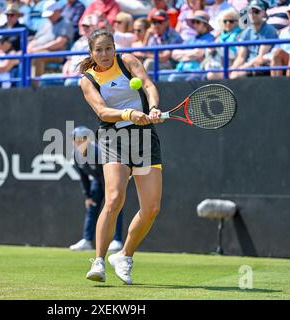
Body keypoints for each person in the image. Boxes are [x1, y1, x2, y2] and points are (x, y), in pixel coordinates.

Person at [79, 28, 163, 284]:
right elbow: (103, 112)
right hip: (113, 139)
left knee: (151, 208)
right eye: (99, 50)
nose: (105, 54)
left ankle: (125, 255)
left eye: (108, 48)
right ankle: (99, 261)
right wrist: (129, 114)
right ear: (91, 53)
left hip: (144, 137)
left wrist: (154, 107)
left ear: (114, 47)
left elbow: (148, 85)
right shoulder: (87, 79)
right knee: (114, 198)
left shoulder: (128, 61)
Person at [69, 125, 124, 252]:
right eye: (75, 139)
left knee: (115, 207)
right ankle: (87, 240)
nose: (78, 142)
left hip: (111, 180)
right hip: (98, 181)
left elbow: (108, 172)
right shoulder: (76, 155)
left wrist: (110, 193)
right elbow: (83, 176)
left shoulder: (98, 152)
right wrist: (87, 196)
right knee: (91, 207)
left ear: (87, 140)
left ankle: (117, 241)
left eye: (81, 139)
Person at [229, 0, 278, 79]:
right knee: (222, 74)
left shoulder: (269, 30)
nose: (253, 14)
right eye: (250, 11)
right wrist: (232, 69)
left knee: (235, 76)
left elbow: (260, 56)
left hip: (262, 66)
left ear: (263, 13)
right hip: (248, 66)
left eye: (256, 11)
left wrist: (241, 68)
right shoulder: (246, 32)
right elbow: (241, 57)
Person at [27, 0, 74, 78]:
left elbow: (60, 43)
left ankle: (34, 87)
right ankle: (20, 84)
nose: (49, 17)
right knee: (19, 56)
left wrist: (38, 48)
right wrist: (29, 47)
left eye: (51, 14)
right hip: (37, 50)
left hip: (57, 54)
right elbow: (35, 39)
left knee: (36, 56)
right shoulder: (46, 23)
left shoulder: (66, 23)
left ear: (57, 11)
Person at [168, 10, 215, 82]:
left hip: (197, 72)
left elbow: (200, 53)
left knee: (173, 79)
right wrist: (192, 55)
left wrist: (184, 55)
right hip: (181, 70)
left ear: (205, 25)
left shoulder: (210, 38)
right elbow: (174, 54)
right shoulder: (190, 39)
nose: (195, 25)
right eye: (193, 22)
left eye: (198, 22)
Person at [142, 10, 183, 78]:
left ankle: (143, 87)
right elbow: (143, 51)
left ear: (167, 22)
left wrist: (144, 55)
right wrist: (146, 37)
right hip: (159, 64)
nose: (156, 25)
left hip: (173, 66)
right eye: (154, 22)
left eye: (160, 22)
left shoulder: (173, 35)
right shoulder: (154, 35)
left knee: (149, 62)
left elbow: (164, 58)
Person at [204, 8, 242, 80]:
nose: (228, 23)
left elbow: (236, 55)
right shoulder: (219, 36)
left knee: (211, 75)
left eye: (231, 21)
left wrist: (217, 48)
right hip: (219, 66)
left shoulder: (240, 35)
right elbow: (209, 51)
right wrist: (210, 50)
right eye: (225, 21)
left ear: (237, 22)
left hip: (233, 67)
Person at [269, 1, 290, 77]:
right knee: (277, 52)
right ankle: (275, 84)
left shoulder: (282, 32)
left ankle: (289, 83)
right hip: (286, 60)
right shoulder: (283, 32)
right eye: (289, 12)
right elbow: (276, 49)